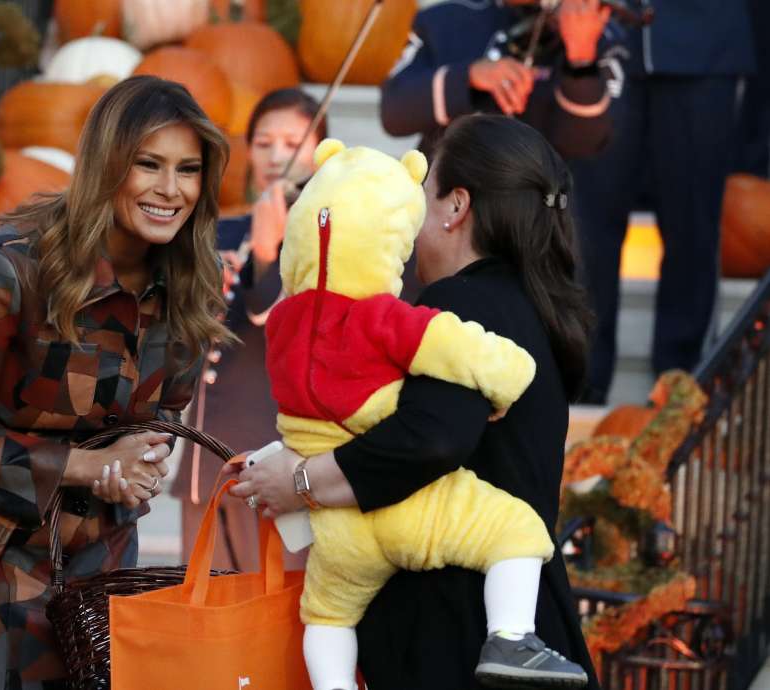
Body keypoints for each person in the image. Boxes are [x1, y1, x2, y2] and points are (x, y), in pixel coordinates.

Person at [231, 114, 600, 690]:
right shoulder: (530, 301)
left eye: (422, 198)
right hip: (516, 612)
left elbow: (430, 437)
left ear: (456, 207)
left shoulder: (460, 302)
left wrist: (299, 480)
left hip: (452, 626)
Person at [0, 75, 232, 690]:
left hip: (104, 590)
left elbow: (159, 425)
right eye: (147, 165)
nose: (169, 190)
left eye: (188, 170)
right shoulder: (7, 270)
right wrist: (79, 465)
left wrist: (143, 463)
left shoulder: (191, 287)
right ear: (106, 166)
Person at [170, 88, 326, 572]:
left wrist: (264, 255)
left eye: (293, 141)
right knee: (206, 623)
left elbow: (281, 323)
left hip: (277, 463)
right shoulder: (218, 232)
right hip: (206, 462)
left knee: (273, 623)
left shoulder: (328, 240)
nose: (277, 156)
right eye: (263, 142)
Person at [571, 1, 757, 403]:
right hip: (601, 39)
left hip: (702, 45)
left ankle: (679, 391)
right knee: (588, 223)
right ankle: (579, 383)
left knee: (692, 223)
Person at [380, 0, 619, 159]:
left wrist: (581, 56)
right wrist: (470, 76)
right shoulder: (444, 18)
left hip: (537, 215)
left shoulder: (594, 27)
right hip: (445, 205)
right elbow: (394, 112)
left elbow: (584, 144)